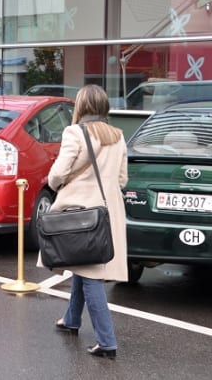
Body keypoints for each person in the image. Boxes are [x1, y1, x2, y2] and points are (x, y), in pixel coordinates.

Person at [40, 84, 128, 359]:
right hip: (106, 212)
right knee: (85, 264)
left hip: (78, 213)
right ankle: (71, 320)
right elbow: (123, 179)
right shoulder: (118, 135)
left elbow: (57, 174)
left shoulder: (74, 132)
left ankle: (107, 341)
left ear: (81, 106)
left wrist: (57, 183)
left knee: (91, 276)